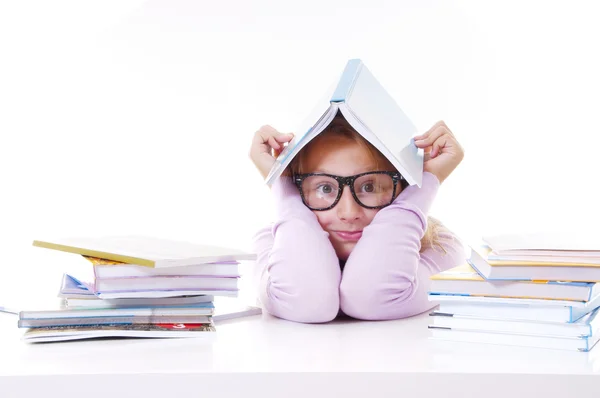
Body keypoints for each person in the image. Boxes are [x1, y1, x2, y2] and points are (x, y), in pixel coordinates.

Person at [249, 114, 465, 323]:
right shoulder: (274, 240)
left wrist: (425, 182)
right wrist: (282, 186)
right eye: (325, 188)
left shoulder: (440, 245)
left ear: (403, 188)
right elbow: (308, 302)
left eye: (369, 187)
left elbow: (370, 297)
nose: (349, 212)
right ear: (298, 191)